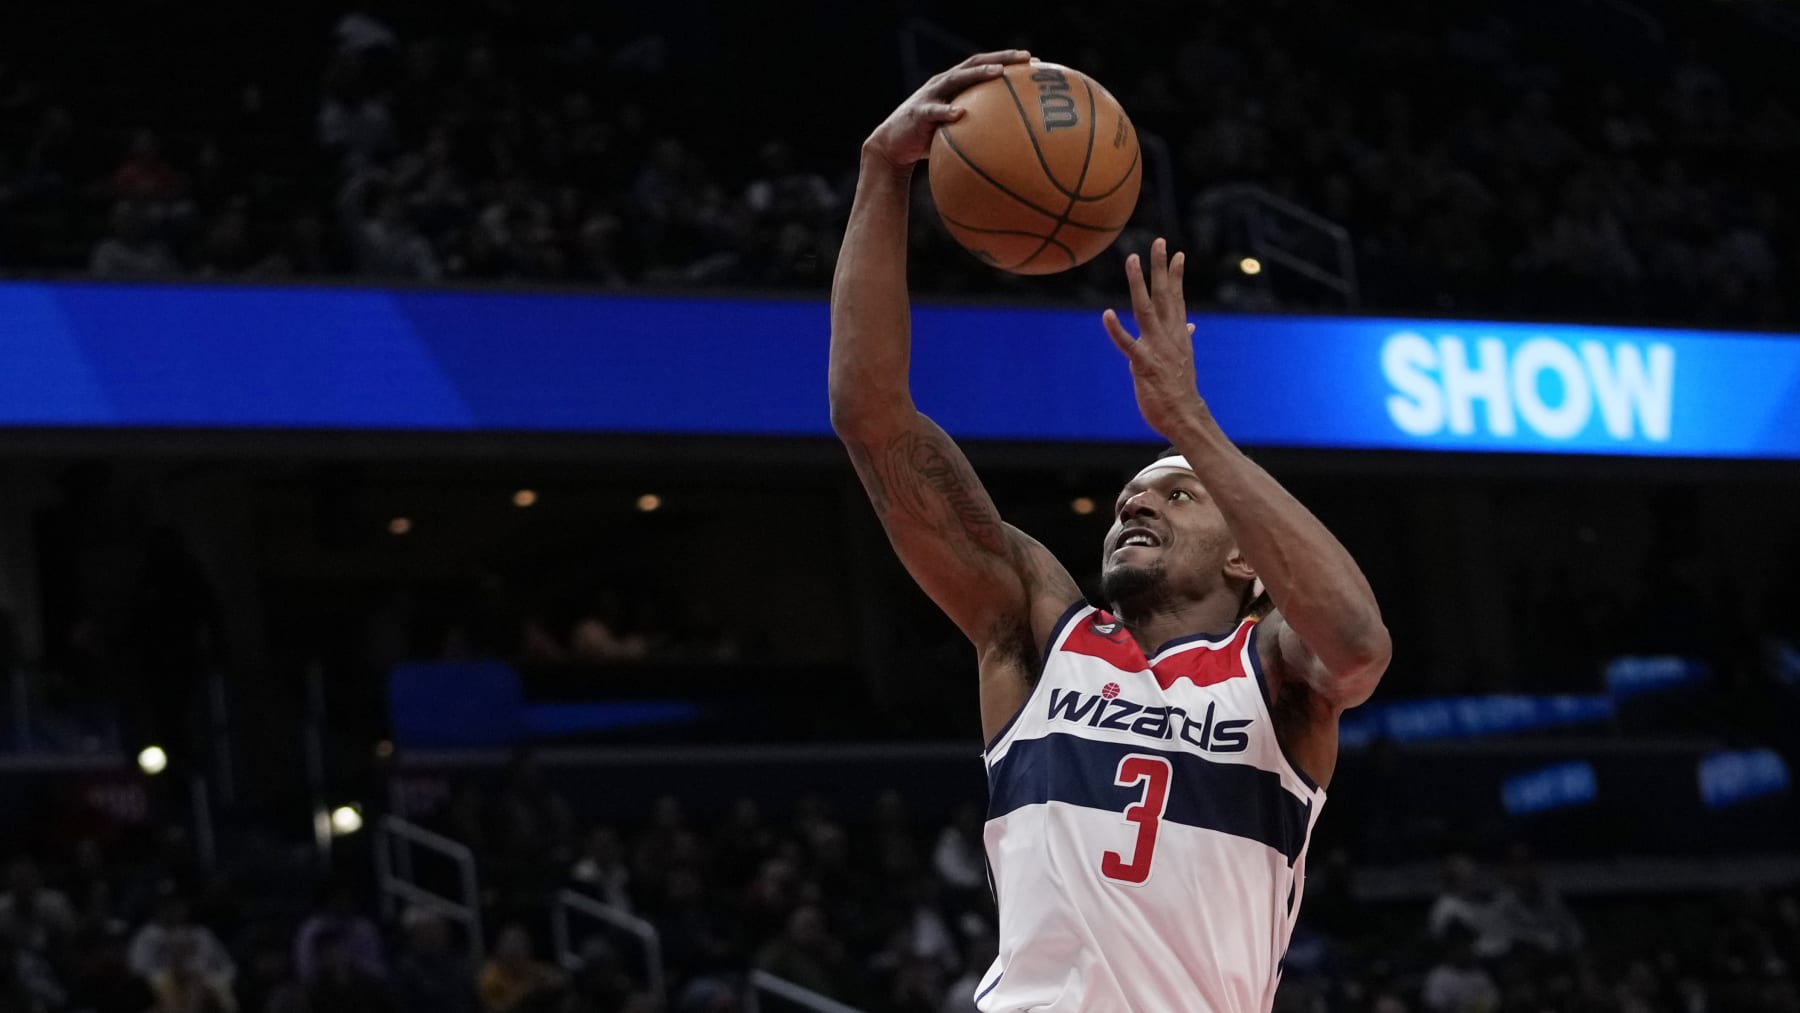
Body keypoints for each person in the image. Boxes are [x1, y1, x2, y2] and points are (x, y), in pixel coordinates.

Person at [828, 51, 1391, 1012]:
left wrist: (1191, 429)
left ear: (1248, 557)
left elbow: (1359, 643)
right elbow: (872, 420)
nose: (1137, 503)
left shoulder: (1278, 676)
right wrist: (884, 174)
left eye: (1176, 496)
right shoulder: (1039, 630)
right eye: (1135, 495)